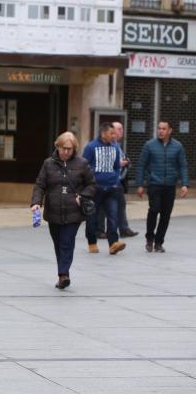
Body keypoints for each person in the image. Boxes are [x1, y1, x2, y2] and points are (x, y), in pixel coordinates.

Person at [31, 132, 96, 289]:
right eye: (64, 148)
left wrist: (82, 195)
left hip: (73, 211)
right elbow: (40, 185)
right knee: (58, 242)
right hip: (53, 211)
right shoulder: (48, 164)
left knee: (67, 242)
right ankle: (63, 272)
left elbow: (92, 184)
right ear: (57, 147)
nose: (66, 152)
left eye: (70, 149)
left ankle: (63, 274)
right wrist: (36, 202)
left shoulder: (82, 163)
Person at [134, 120, 190, 253]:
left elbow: (183, 166)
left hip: (170, 185)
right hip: (154, 184)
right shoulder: (149, 145)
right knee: (154, 209)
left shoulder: (178, 146)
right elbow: (141, 165)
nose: (160, 131)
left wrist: (185, 184)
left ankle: (159, 242)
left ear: (170, 130)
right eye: (159, 128)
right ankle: (149, 238)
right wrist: (140, 184)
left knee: (166, 215)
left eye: (164, 129)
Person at [83, 122, 126, 255]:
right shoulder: (91, 147)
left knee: (113, 216)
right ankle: (92, 242)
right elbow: (84, 166)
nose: (114, 136)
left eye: (115, 133)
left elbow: (117, 166)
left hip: (112, 188)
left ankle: (113, 243)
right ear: (103, 133)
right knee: (92, 217)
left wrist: (115, 181)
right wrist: (91, 181)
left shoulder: (115, 146)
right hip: (95, 188)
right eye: (111, 133)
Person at [94, 121, 138, 238]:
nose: (119, 132)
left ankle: (122, 228)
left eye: (121, 129)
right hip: (104, 182)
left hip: (117, 181)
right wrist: (120, 163)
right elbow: (101, 163)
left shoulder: (116, 145)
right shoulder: (99, 146)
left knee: (120, 205)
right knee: (103, 208)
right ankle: (100, 230)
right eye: (117, 130)